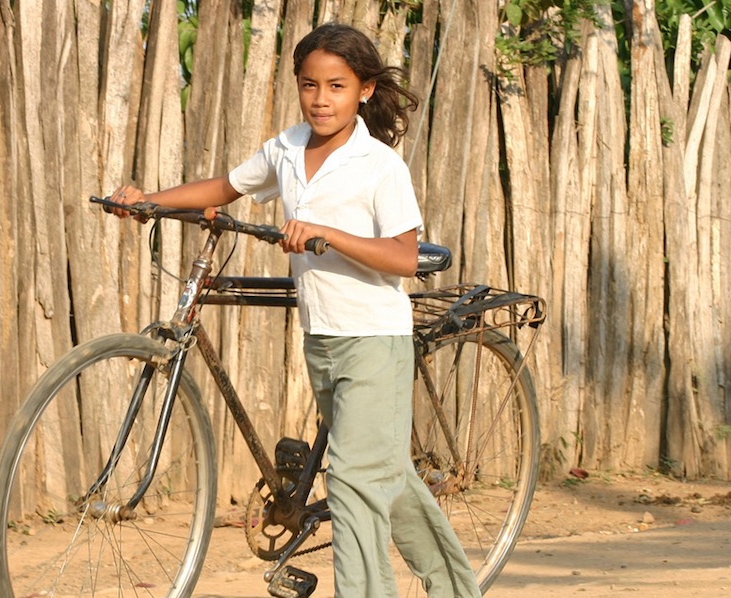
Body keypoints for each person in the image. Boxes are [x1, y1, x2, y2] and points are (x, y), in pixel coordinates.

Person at [111, 22, 480, 598]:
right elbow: (224, 188)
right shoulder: (284, 149)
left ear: (363, 90)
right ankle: (459, 590)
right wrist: (147, 202)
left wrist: (328, 235)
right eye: (310, 85)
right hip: (322, 340)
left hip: (375, 341)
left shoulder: (380, 165)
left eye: (336, 86)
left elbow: (405, 257)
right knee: (387, 476)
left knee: (356, 482)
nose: (320, 99)